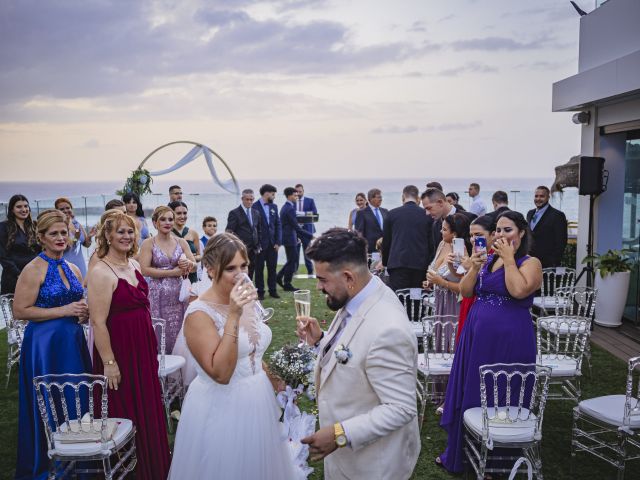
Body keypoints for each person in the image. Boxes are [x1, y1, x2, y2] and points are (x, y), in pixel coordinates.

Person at [168, 233, 301, 479]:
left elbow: (251, 352)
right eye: (230, 268)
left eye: (244, 266)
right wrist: (233, 315)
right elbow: (221, 373)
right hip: (222, 406)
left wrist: (276, 382)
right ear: (209, 269)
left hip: (258, 398)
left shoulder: (244, 296)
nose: (240, 275)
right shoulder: (199, 314)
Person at [296, 228, 420, 480]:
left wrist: (339, 433)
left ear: (348, 277)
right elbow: (357, 355)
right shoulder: (360, 297)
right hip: (346, 459)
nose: (319, 287)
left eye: (323, 279)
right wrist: (322, 342)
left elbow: (401, 407)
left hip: (372, 464)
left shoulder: (388, 329)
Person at [437, 211, 541, 473]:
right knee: (472, 387)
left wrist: (508, 260)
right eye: (499, 230)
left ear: (522, 233)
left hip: (510, 340)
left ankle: (499, 458)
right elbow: (466, 290)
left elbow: (518, 290)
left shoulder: (530, 262)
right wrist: (474, 265)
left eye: (508, 230)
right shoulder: (488, 259)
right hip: (476, 336)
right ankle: (465, 451)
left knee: (502, 391)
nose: (502, 236)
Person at [87, 209, 170, 480]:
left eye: (130, 231)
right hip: (120, 353)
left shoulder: (134, 265)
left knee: (147, 404)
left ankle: (153, 464)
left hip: (142, 349)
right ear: (107, 235)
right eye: (120, 231)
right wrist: (109, 363)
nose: (126, 236)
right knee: (126, 409)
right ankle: (128, 470)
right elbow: (98, 322)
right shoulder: (101, 272)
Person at [13, 209, 91, 480]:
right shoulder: (33, 268)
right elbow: (20, 311)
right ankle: (52, 464)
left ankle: (79, 458)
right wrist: (65, 310)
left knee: (77, 398)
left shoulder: (72, 267)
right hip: (45, 347)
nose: (61, 238)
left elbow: (79, 306)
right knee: (51, 403)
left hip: (73, 341)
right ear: (42, 237)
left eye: (64, 233)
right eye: (54, 234)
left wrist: (84, 312)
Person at [140, 206, 195, 353]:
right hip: (157, 296)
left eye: (170, 219)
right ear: (155, 223)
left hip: (179, 296)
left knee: (180, 329)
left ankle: (179, 365)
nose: (167, 222)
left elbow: (194, 266)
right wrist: (174, 272)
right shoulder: (148, 243)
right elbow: (144, 269)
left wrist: (188, 264)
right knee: (160, 331)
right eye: (163, 219)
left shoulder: (181, 242)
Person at [381, 185, 433, 290]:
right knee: (417, 299)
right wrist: (430, 263)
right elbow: (431, 242)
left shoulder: (391, 214)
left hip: (398, 263)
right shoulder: (427, 214)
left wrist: (385, 262)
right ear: (417, 197)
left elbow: (386, 242)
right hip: (420, 265)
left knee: (399, 299)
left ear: (403, 197)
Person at [455, 215, 495, 344]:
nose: (473, 239)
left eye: (478, 235)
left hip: (482, 304)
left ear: (493, 234)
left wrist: (472, 267)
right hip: (469, 300)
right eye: (471, 235)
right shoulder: (477, 253)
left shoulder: (496, 256)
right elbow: (461, 279)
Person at [425, 213, 471, 318]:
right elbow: (435, 271)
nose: (441, 231)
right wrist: (431, 281)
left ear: (454, 234)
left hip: (454, 305)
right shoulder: (442, 244)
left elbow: (465, 288)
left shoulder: (462, 254)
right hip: (439, 301)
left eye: (444, 230)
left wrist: (441, 282)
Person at [0, 194, 38, 294]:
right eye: (19, 207)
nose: (24, 209)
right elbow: (3, 256)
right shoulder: (3, 227)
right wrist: (19, 274)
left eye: (26, 206)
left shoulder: (34, 226)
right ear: (12, 209)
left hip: (35, 276)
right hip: (13, 277)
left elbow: (40, 251)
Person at [277, 187, 313, 291]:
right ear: (289, 196)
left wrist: (296, 236)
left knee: (291, 260)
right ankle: (286, 283)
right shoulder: (289, 208)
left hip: (289, 237)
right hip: (289, 238)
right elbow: (296, 227)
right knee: (292, 261)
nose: (297, 197)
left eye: (297, 195)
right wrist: (310, 235)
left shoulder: (286, 207)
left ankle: (279, 277)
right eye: (295, 195)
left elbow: (291, 226)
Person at [527, 186, 568, 268]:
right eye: (536, 196)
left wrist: (554, 261)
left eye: (542, 196)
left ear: (548, 197)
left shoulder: (557, 215)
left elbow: (561, 241)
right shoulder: (530, 213)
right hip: (530, 261)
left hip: (548, 264)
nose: (538, 199)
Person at [253, 184, 282, 300]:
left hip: (272, 244)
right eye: (273, 194)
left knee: (272, 268)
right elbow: (253, 227)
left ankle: (273, 290)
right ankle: (260, 292)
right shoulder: (254, 207)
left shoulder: (274, 207)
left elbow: (278, 224)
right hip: (260, 244)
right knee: (259, 269)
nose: (274, 196)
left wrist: (278, 242)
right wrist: (256, 244)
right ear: (266, 193)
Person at [226, 189, 261, 280]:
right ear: (242, 199)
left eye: (251, 199)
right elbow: (229, 232)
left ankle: (248, 291)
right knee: (240, 274)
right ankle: (239, 292)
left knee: (251, 273)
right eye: (247, 199)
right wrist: (237, 246)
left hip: (254, 250)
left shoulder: (256, 213)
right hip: (240, 250)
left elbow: (258, 230)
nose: (249, 201)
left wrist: (259, 245)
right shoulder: (234, 213)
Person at [169, 200, 200, 283]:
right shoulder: (167, 234)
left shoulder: (193, 233)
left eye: (185, 213)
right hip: (174, 275)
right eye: (178, 213)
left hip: (192, 274)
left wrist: (191, 258)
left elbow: (199, 255)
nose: (182, 216)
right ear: (172, 214)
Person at [354, 188, 388, 254]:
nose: (381, 199)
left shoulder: (385, 211)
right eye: (378, 197)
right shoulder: (362, 213)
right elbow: (359, 234)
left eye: (381, 197)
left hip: (385, 249)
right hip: (370, 250)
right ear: (370, 199)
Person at [294, 183, 318, 275]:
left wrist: (302, 214)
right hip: (295, 230)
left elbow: (314, 213)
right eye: (297, 192)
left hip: (307, 230)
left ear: (303, 191)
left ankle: (310, 271)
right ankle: (294, 270)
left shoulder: (310, 201)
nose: (298, 193)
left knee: (307, 251)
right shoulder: (292, 202)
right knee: (295, 251)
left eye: (300, 191)